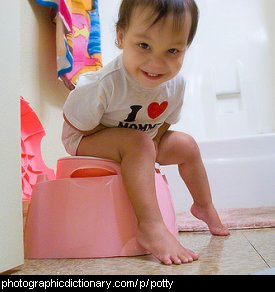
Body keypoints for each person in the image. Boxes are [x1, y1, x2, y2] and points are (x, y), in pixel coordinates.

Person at [62, 0, 229, 265]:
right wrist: (130, 145)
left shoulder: (175, 85)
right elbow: (78, 125)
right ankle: (151, 225)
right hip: (87, 137)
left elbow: (163, 125)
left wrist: (144, 147)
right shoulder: (107, 84)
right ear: (120, 36)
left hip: (142, 139)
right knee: (138, 144)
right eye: (144, 46)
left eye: (172, 50)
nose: (156, 62)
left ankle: (204, 206)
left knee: (187, 145)